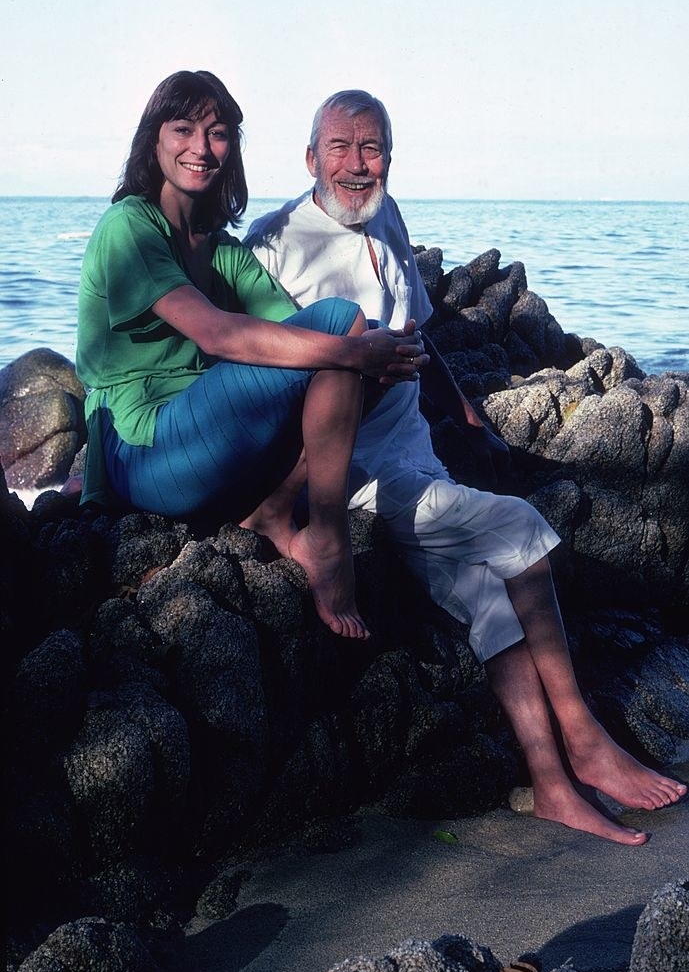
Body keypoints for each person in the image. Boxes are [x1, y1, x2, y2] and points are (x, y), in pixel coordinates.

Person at [244, 89, 687, 844]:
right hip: (351, 479)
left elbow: (416, 330)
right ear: (310, 158)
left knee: (487, 595)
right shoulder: (271, 242)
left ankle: (549, 783)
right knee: (518, 525)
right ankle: (583, 740)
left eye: (372, 147)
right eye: (341, 148)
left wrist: (468, 414)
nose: (358, 164)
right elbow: (264, 379)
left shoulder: (384, 215)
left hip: (417, 459)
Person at [75, 71, 427, 641]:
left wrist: (381, 356)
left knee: (348, 336)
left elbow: (295, 330)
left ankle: (276, 514)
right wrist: (355, 352)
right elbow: (217, 334)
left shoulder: (222, 251)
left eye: (217, 133)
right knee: (344, 336)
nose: (200, 147)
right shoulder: (128, 227)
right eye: (183, 129)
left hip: (198, 443)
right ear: (153, 140)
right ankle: (329, 542)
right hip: (143, 452)